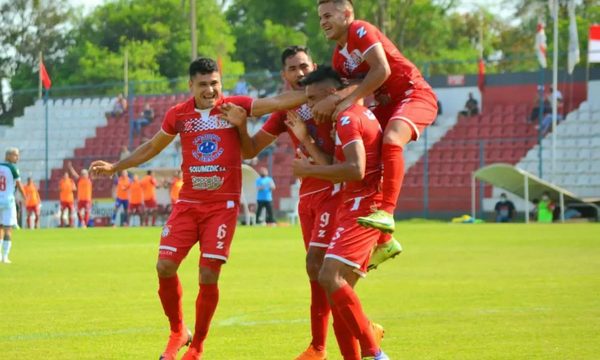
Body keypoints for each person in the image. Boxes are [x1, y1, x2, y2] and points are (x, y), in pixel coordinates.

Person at [89, 57, 306, 360]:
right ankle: (178, 330)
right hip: (189, 203)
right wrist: (116, 166)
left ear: (221, 82)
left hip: (222, 206)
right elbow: (152, 147)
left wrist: (322, 91)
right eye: (203, 84)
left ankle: (198, 346)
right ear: (191, 85)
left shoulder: (235, 106)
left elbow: (277, 101)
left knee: (208, 275)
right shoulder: (178, 115)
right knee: (164, 266)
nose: (210, 89)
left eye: (215, 83)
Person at [314, 0, 438, 240]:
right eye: (320, 18)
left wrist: (344, 103)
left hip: (413, 94)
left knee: (392, 139)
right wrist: (339, 120)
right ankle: (384, 240)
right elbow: (349, 90)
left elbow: (382, 70)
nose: (323, 22)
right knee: (360, 153)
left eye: (328, 15)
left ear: (347, 13)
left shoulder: (361, 30)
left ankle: (387, 212)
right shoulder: (339, 57)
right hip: (385, 105)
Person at [291, 66, 388, 360]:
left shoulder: (347, 118)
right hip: (353, 204)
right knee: (334, 290)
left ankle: (375, 351)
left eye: (311, 99)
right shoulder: (348, 117)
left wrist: (310, 169)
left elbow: (356, 169)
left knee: (330, 277)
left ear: (331, 94)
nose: (307, 106)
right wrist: (307, 142)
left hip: (363, 207)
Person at [0, 148, 26, 263]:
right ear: (8, 155)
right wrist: (25, 197)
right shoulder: (13, 168)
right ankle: (5, 256)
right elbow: (19, 186)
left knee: (0, 228)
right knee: (8, 229)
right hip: (8, 202)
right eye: (15, 155)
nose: (18, 158)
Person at [68, 161, 93, 228]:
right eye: (82, 174)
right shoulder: (79, 180)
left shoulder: (89, 180)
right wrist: (70, 168)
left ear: (87, 174)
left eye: (84, 173)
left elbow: (95, 173)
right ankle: (82, 222)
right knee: (78, 211)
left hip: (87, 199)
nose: (83, 175)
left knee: (87, 212)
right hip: (80, 199)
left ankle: (85, 224)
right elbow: (74, 174)